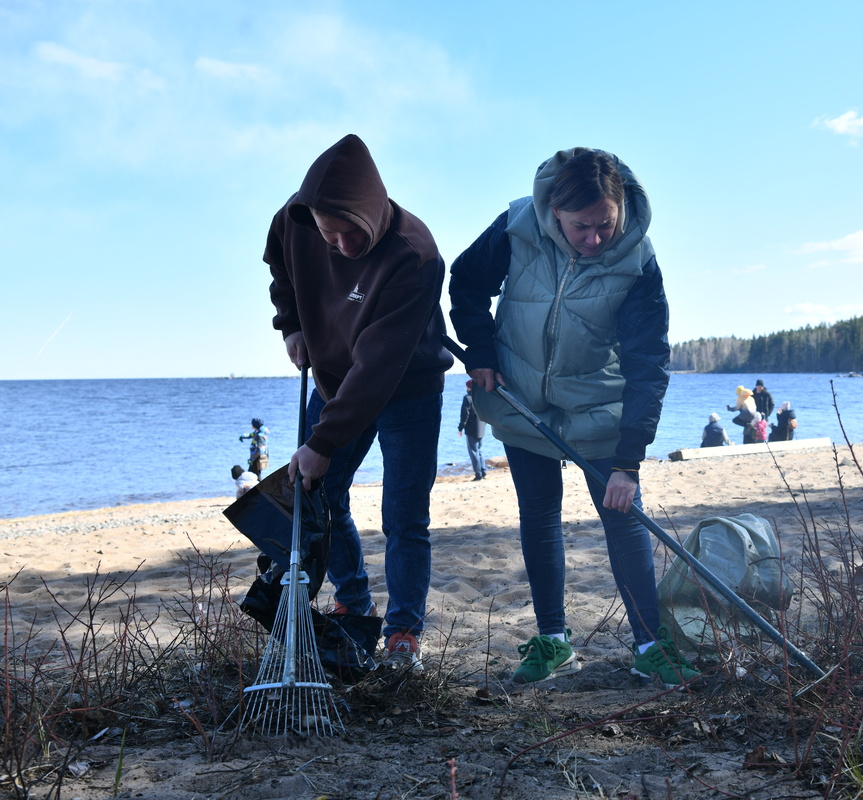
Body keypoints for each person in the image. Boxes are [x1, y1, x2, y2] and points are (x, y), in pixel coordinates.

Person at [448, 147, 699, 688]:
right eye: (581, 226)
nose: (594, 238)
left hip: (598, 405)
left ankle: (650, 645)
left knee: (622, 516)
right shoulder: (517, 225)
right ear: (553, 211)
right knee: (539, 515)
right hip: (521, 397)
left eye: (604, 224)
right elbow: (465, 283)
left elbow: (648, 362)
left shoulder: (636, 258)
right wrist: (481, 352)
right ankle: (554, 641)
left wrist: (628, 462)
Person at [264, 133, 452, 671]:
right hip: (332, 378)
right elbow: (280, 266)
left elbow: (377, 367)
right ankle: (354, 598)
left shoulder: (414, 253)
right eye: (330, 235)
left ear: (373, 214)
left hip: (406, 385)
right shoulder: (294, 221)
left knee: (404, 515)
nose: (342, 246)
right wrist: (292, 325)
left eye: (353, 235)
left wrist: (324, 440)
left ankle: (403, 634)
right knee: (315, 492)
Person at [458, 385, 488, 480]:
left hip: (471, 429)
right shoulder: (481, 398)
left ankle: (478, 474)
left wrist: (460, 428)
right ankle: (483, 471)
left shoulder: (467, 398)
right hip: (481, 428)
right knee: (479, 450)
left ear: (469, 388)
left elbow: (465, 414)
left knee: (473, 452)